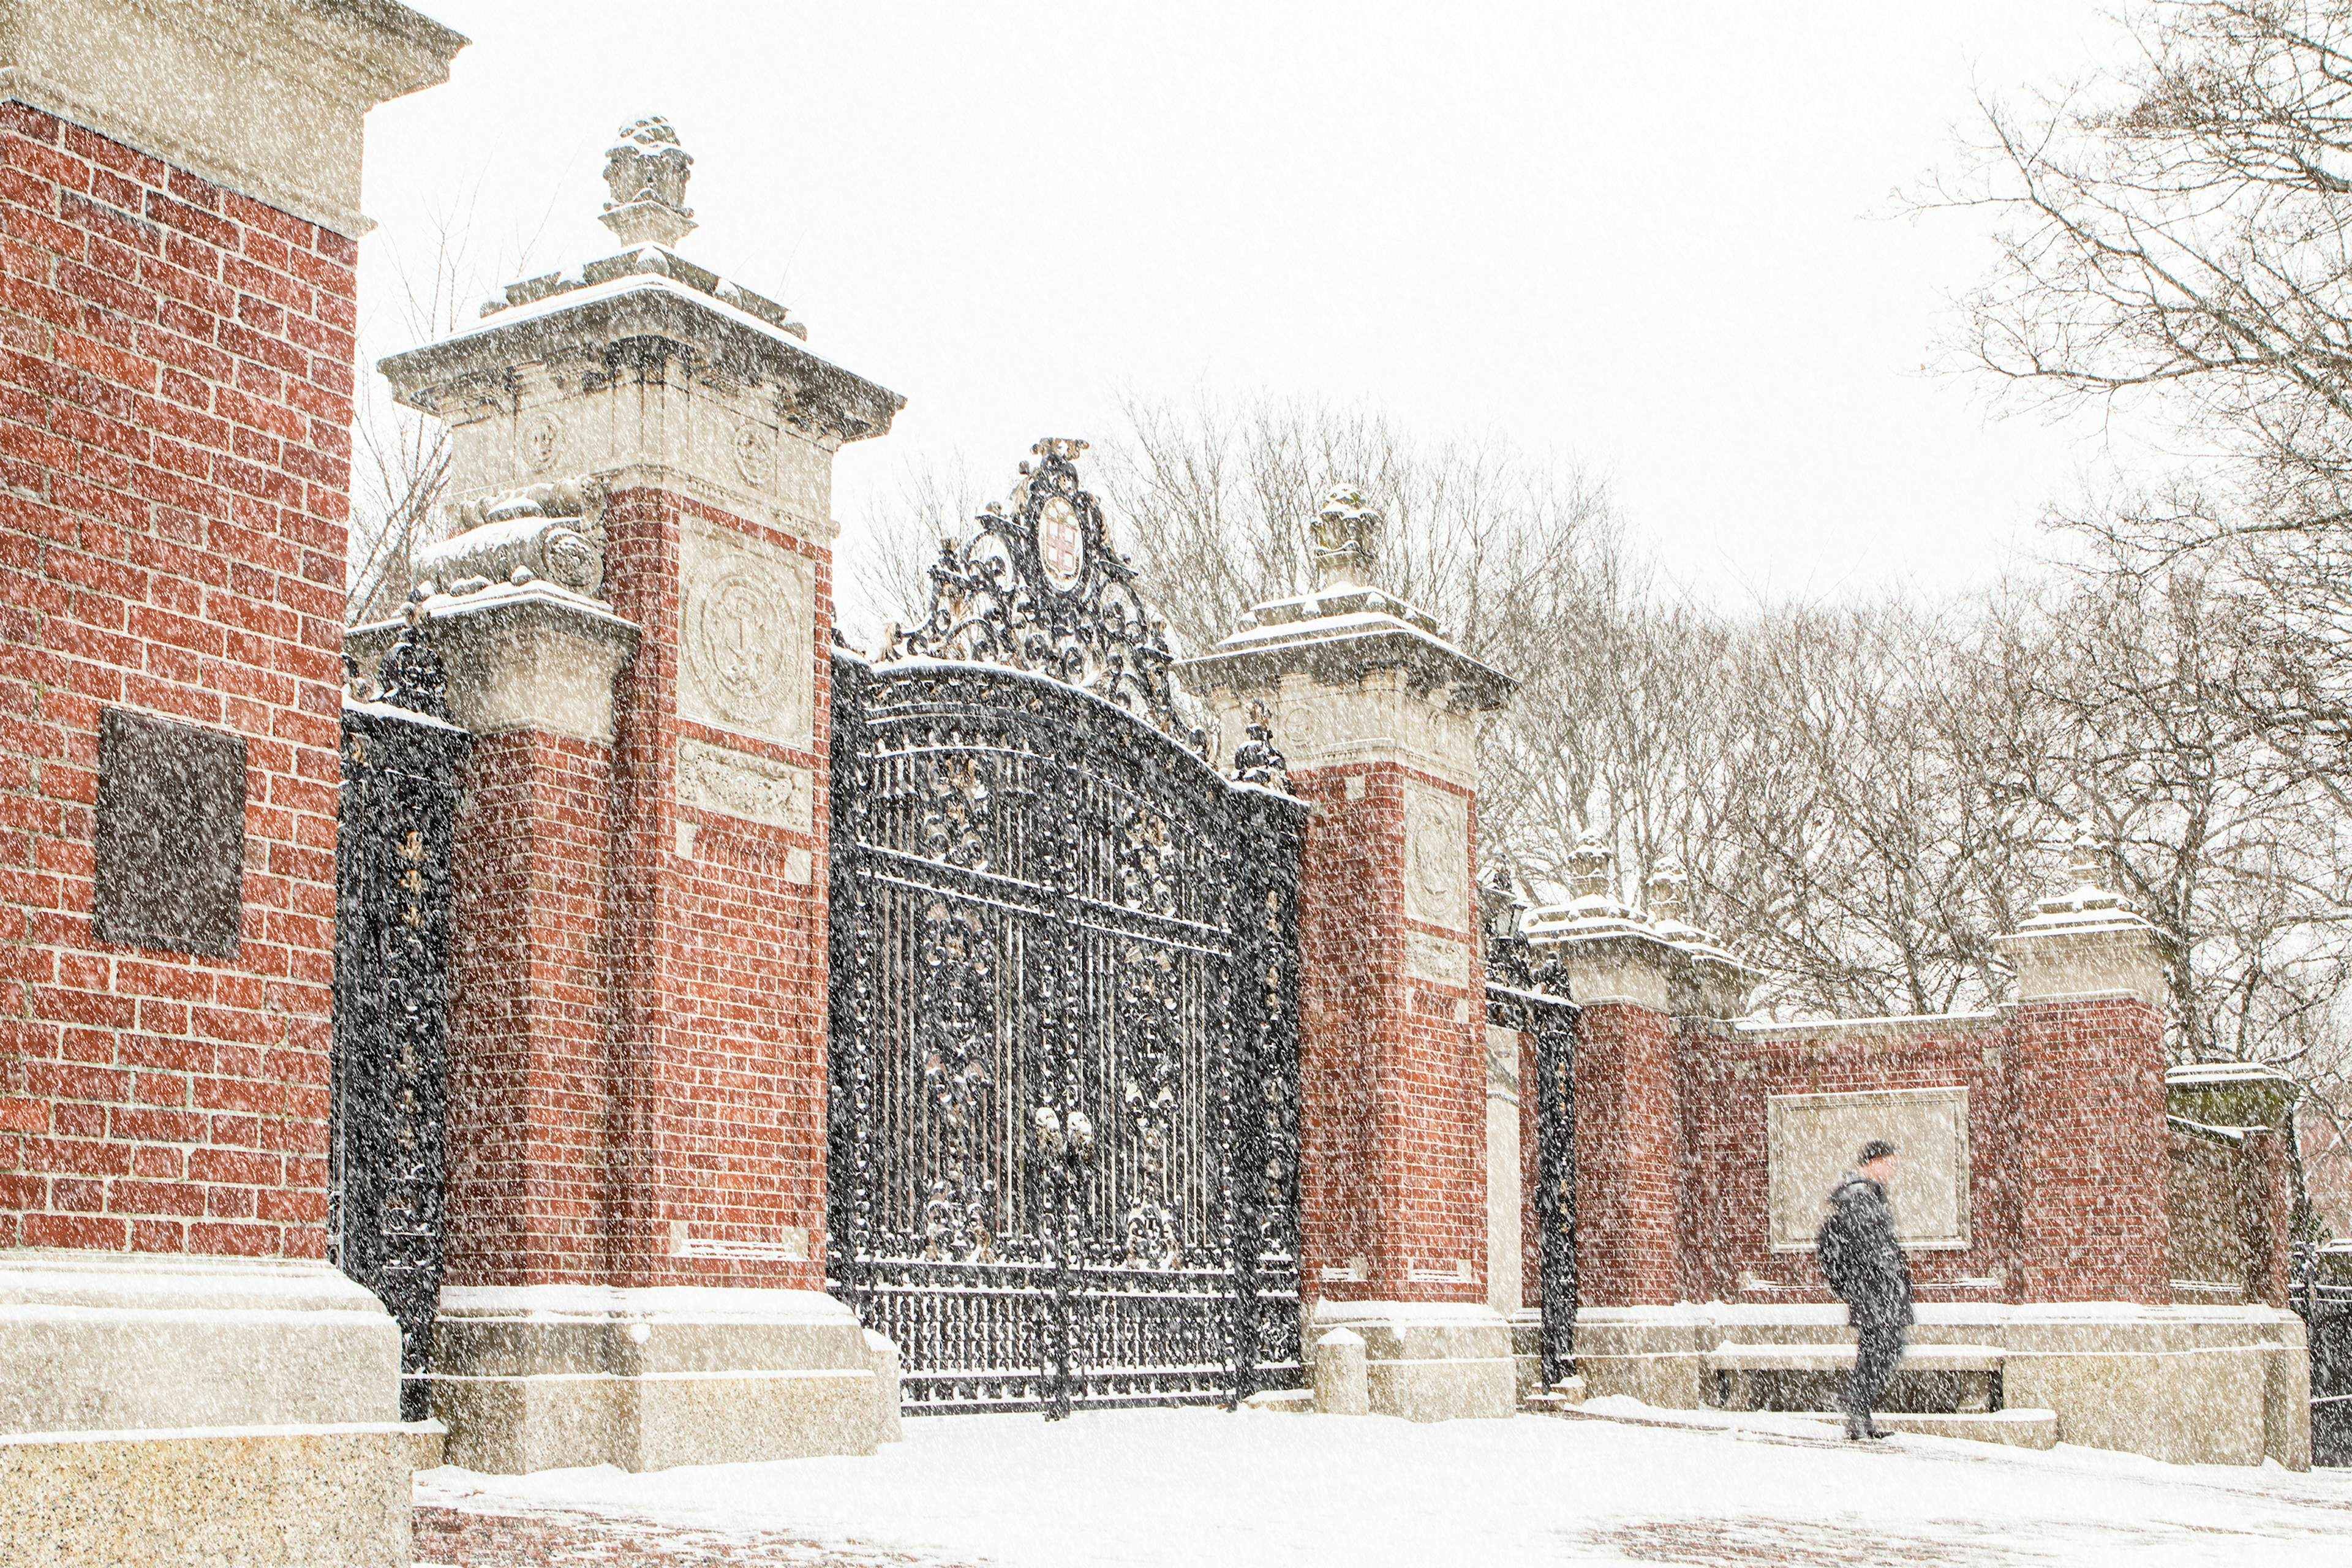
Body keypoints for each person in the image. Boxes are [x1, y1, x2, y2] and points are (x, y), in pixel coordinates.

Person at [1815, 1138, 1913, 1442]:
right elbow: (1870, 1246)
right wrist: (1887, 1273)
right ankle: (1854, 1402)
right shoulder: (1859, 1196)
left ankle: (1860, 1415)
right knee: (1885, 1348)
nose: (1892, 1171)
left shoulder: (1865, 1194)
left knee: (1876, 1350)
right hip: (1874, 1290)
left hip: (1874, 1289)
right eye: (1890, 1164)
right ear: (1875, 1161)